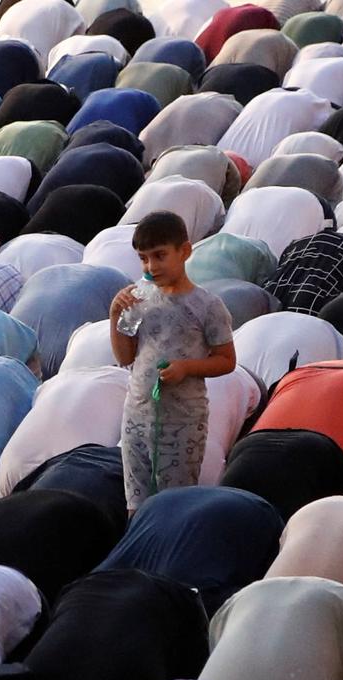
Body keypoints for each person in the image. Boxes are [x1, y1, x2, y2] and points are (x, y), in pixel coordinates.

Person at [109, 211, 236, 514]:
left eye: (160, 255)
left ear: (185, 251)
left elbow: (226, 360)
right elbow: (125, 357)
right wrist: (114, 315)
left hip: (181, 420)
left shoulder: (206, 305)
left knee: (173, 504)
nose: (151, 267)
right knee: (135, 504)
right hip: (137, 415)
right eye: (143, 258)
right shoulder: (138, 298)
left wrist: (187, 368)